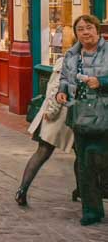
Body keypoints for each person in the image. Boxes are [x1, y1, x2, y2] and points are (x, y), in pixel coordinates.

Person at [56, 14, 108, 226]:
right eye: (80, 29)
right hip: (79, 115)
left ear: (97, 30)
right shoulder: (72, 55)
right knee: (84, 164)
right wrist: (62, 92)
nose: (85, 32)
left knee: (100, 160)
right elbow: (65, 79)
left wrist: (102, 82)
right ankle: (91, 210)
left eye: (89, 28)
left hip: (104, 115)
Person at [15, 56, 75, 207]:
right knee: (43, 152)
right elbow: (55, 89)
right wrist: (52, 111)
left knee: (80, 155)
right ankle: (22, 189)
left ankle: (81, 191)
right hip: (59, 116)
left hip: (74, 116)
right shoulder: (68, 60)